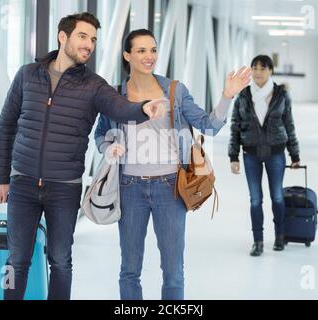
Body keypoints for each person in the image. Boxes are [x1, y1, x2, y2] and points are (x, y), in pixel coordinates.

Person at [0, 13, 167, 300]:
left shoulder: (94, 85)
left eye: (93, 39)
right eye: (83, 36)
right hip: (22, 183)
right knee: (15, 261)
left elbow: (120, 107)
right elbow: (6, 125)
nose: (89, 44)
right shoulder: (27, 75)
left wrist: (142, 108)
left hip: (64, 187)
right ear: (63, 37)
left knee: (60, 261)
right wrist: (0, 179)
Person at [95, 29, 252, 300]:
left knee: (173, 270)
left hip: (170, 187)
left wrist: (227, 96)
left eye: (153, 50)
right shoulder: (115, 94)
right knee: (129, 269)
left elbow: (209, 126)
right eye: (141, 50)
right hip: (129, 187)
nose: (149, 56)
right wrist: (110, 147)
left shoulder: (174, 90)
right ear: (127, 55)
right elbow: (100, 134)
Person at [228, 55, 301, 257]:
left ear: (270, 71)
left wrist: (294, 154)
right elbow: (235, 126)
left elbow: (289, 124)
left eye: (262, 68)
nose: (258, 72)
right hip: (250, 153)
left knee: (277, 197)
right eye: (255, 68)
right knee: (255, 200)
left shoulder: (281, 95)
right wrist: (233, 156)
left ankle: (279, 236)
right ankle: (258, 241)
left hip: (276, 153)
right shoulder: (243, 95)